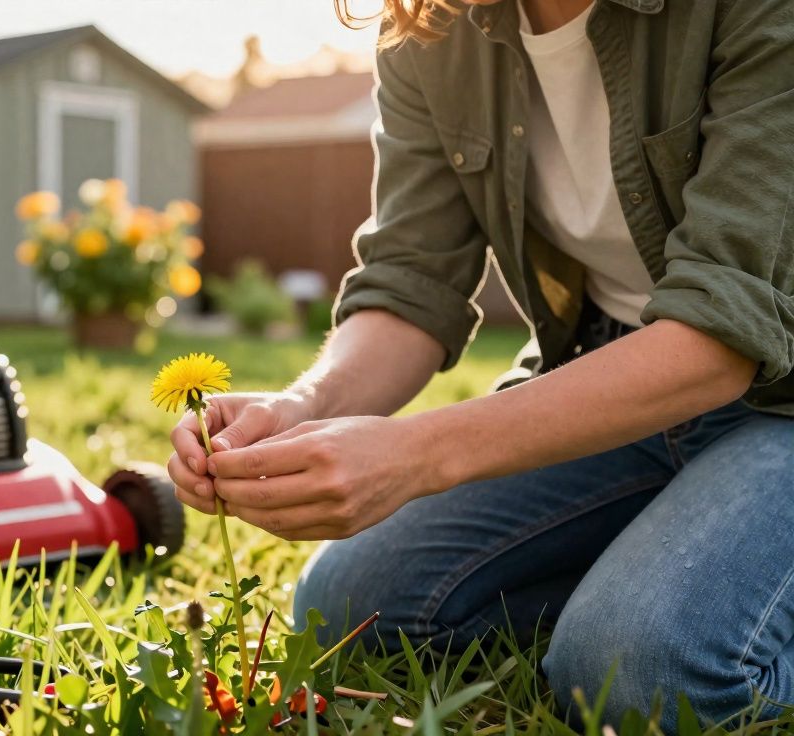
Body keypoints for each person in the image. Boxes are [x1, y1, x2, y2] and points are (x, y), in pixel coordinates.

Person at [166, 0, 794, 730]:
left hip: (777, 397)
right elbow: (411, 282)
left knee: (645, 675)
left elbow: (717, 341)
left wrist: (416, 454)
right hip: (608, 370)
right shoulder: (434, 27)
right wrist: (306, 404)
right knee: (352, 606)